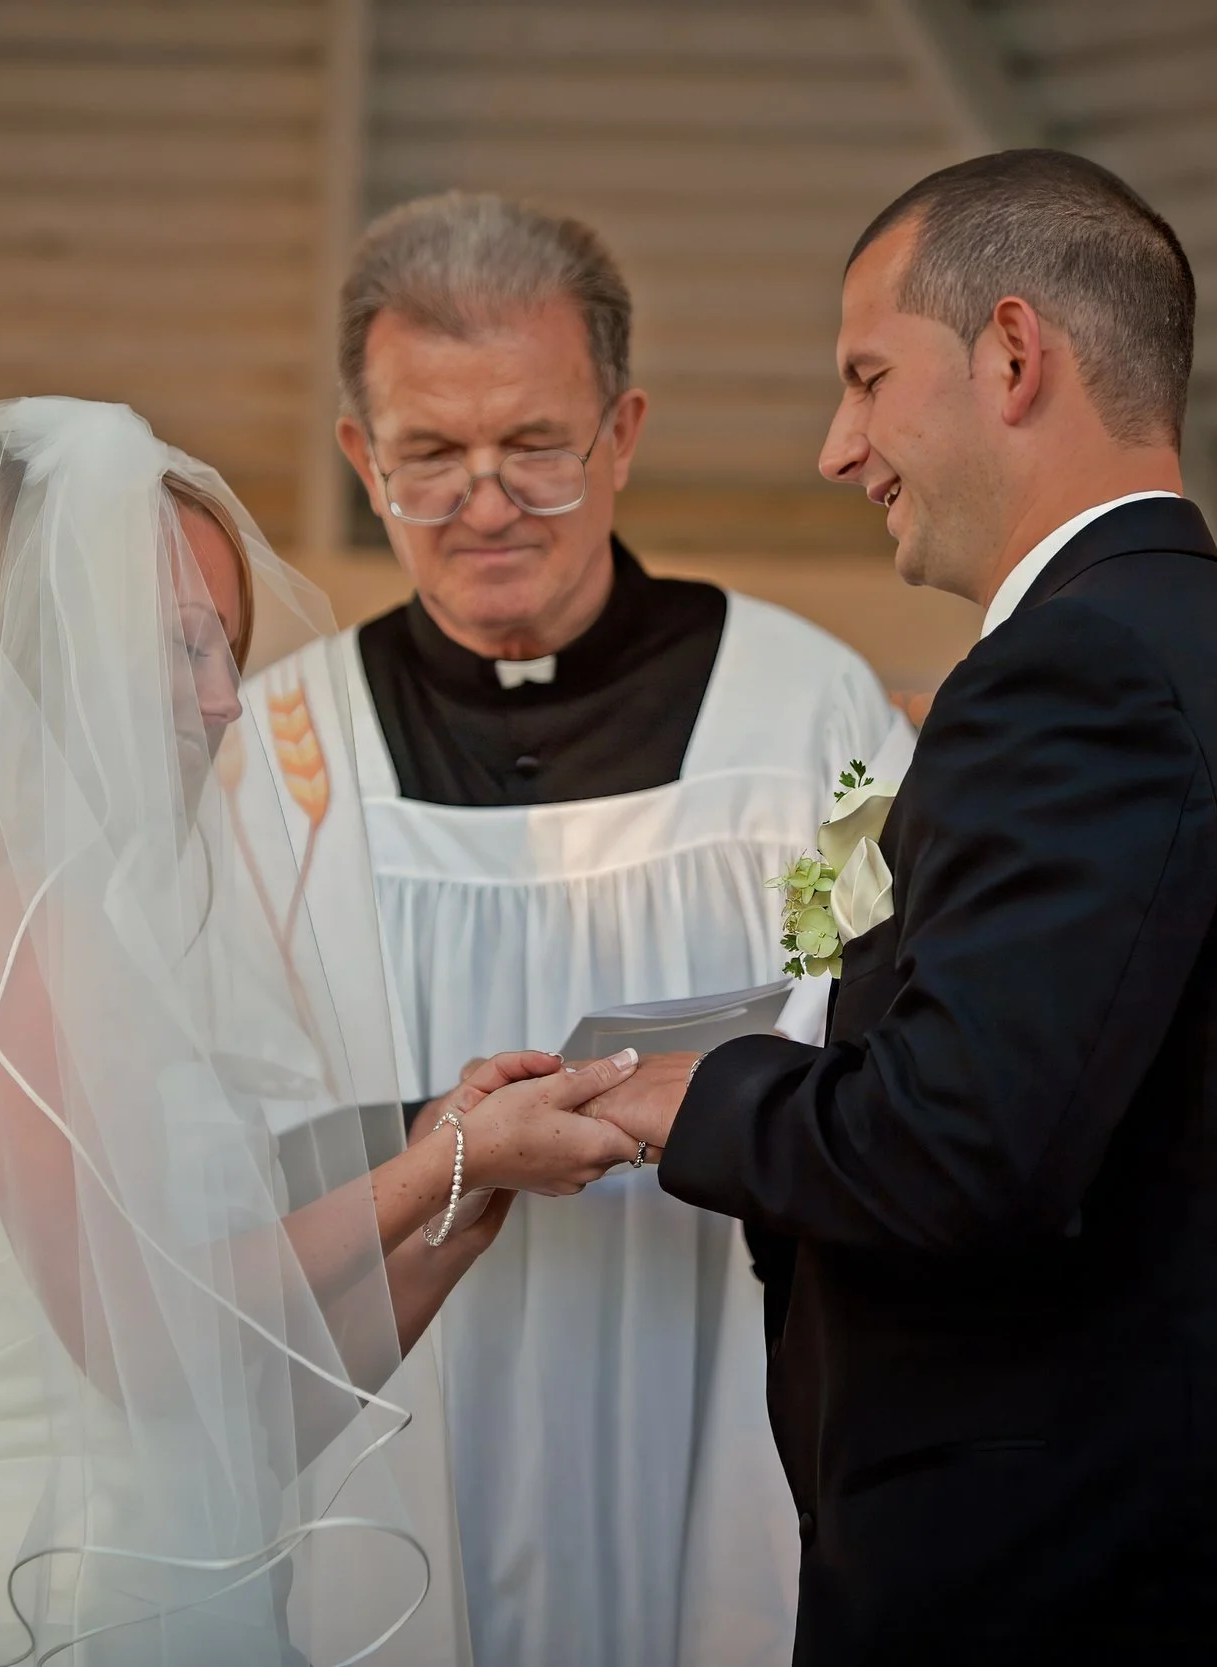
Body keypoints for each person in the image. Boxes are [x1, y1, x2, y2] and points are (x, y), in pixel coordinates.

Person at [591, 151, 1217, 1664]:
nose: (834, 447)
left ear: (1009, 352)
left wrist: (699, 1096)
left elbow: (963, 1142)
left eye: (865, 378)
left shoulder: (1080, 672)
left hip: (1094, 1590)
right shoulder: (1198, 653)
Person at [0, 396, 639, 1665]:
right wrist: (432, 1163)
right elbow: (137, 1345)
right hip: (55, 1624)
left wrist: (459, 1203)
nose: (226, 700)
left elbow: (234, 1421)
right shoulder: (11, 929)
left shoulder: (54, 929)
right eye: (182, 649)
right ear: (43, 642)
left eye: (226, 649)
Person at [250, 193, 910, 1667]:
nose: (486, 503)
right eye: (431, 454)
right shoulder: (272, 753)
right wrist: (453, 1140)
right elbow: (217, 1126)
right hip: (390, 1406)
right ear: (364, 459)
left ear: (620, 432)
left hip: (715, 1373)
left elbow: (872, 1012)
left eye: (534, 446)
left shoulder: (814, 719)